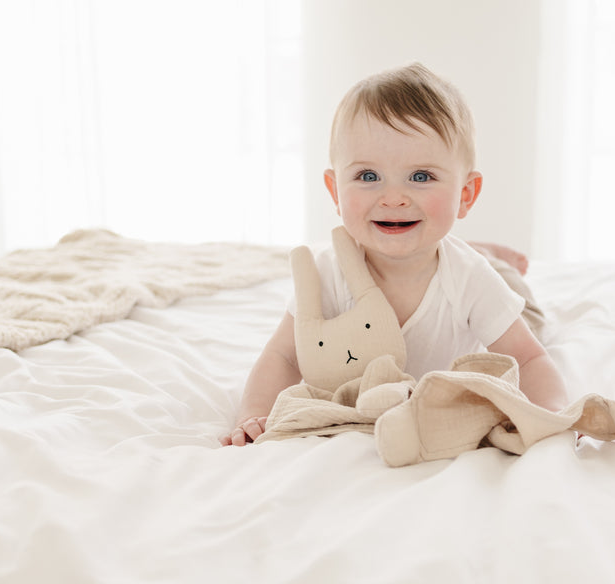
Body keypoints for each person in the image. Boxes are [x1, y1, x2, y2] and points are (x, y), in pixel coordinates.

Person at [221, 63, 567, 446]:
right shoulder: (325, 272)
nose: (393, 198)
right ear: (335, 192)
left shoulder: (468, 277)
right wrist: (253, 414)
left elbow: (530, 358)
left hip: (482, 278)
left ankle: (494, 256)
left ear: (465, 195)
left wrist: (552, 412)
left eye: (421, 177)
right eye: (368, 176)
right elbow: (284, 357)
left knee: (527, 312)